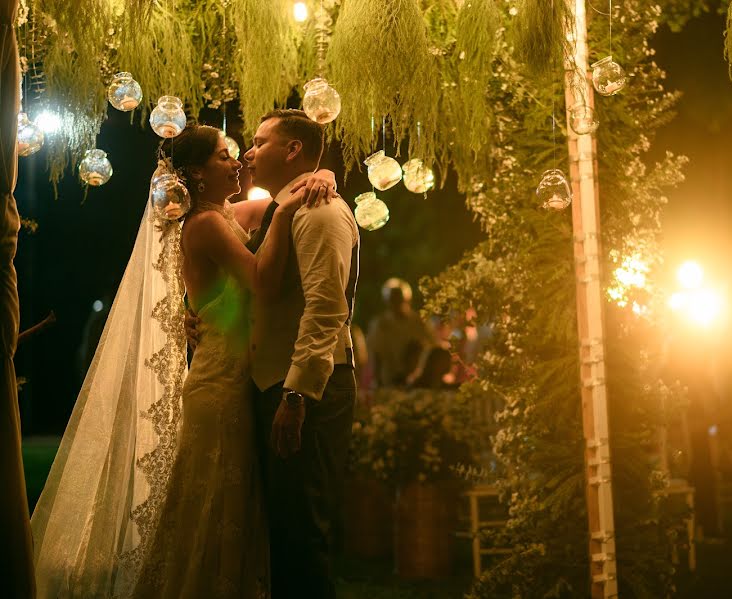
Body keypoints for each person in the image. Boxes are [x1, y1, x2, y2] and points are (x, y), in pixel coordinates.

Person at [29, 124, 337, 598]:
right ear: (195, 173)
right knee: (215, 506)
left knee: (223, 505)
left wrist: (326, 175)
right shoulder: (206, 225)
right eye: (223, 156)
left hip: (232, 377)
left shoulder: (225, 215)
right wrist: (284, 211)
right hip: (219, 385)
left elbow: (279, 198)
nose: (238, 162)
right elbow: (259, 279)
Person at [241, 109, 359, 599]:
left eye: (261, 141)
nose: (249, 151)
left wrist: (295, 396)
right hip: (275, 382)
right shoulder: (282, 206)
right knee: (282, 531)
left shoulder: (321, 212)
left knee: (302, 533)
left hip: (308, 388)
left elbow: (326, 309)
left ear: (292, 150)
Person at [367, 278, 432, 387]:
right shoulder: (380, 325)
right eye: (393, 299)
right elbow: (375, 355)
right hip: (388, 380)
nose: (396, 303)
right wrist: (377, 380)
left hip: (415, 381)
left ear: (407, 299)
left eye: (399, 299)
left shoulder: (419, 322)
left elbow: (430, 348)